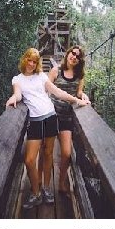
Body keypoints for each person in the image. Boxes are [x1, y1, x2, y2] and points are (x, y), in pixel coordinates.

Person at [6, 48, 90, 209]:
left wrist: (77, 101)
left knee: (48, 153)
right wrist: (13, 98)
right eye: (29, 60)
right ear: (24, 60)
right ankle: (36, 193)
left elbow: (57, 92)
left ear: (37, 63)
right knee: (29, 159)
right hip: (35, 121)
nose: (31, 64)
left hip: (50, 116)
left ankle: (45, 189)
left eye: (34, 61)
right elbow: (17, 94)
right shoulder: (17, 79)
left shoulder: (41, 76)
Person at [45, 45, 89, 195]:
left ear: (80, 61)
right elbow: (44, 89)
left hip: (66, 118)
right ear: (68, 53)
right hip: (50, 115)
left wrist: (83, 96)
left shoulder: (80, 76)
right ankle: (44, 185)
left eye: (78, 56)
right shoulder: (55, 70)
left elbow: (79, 92)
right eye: (72, 53)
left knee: (66, 153)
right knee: (47, 152)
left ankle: (62, 181)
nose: (74, 57)